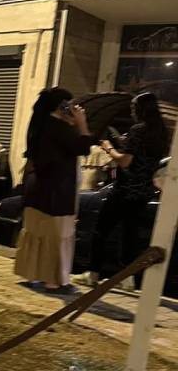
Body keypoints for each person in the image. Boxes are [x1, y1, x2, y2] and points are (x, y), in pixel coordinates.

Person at [77, 92, 168, 290]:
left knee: (101, 230)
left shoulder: (138, 130)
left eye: (134, 108)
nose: (132, 111)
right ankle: (127, 279)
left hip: (125, 189)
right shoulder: (161, 133)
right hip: (143, 192)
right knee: (130, 235)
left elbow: (126, 162)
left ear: (142, 110)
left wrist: (108, 148)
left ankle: (92, 274)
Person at [14, 88, 93, 294]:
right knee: (57, 235)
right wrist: (82, 124)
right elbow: (83, 147)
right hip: (57, 190)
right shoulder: (59, 128)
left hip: (37, 187)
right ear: (62, 106)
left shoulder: (40, 123)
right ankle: (54, 281)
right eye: (70, 104)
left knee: (36, 233)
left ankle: (31, 274)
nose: (73, 108)